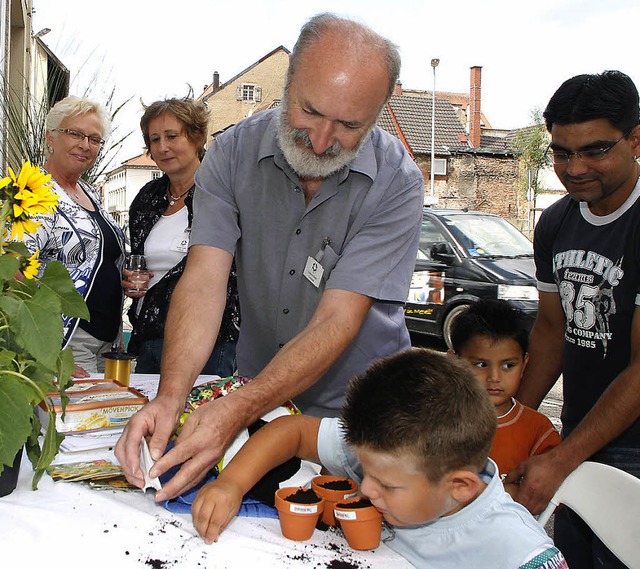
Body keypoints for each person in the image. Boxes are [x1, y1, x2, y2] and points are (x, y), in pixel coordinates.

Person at [116, 12, 424, 502]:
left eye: (349, 125)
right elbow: (203, 281)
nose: (322, 141)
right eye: (310, 111)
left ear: (382, 111)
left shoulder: (398, 181)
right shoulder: (231, 154)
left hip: (363, 415)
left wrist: (238, 407)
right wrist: (171, 397)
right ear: (289, 79)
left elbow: (337, 320)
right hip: (261, 401)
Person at [191, 348, 567, 569]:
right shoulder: (391, 453)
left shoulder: (517, 552)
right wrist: (231, 483)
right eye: (365, 471)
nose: (366, 488)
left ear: (461, 486)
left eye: (386, 486)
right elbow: (294, 431)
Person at [509, 70, 640, 568]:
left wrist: (561, 459)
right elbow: (550, 330)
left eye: (595, 150)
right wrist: (514, 422)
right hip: (578, 433)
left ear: (636, 139)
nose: (575, 167)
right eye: (561, 152)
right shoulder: (557, 220)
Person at [123, 98, 239, 376]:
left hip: (207, 343)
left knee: (196, 419)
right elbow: (141, 262)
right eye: (154, 139)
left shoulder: (223, 194)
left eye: (172, 136)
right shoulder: (147, 199)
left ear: (197, 136)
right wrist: (131, 281)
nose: (162, 147)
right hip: (150, 338)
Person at [24, 95, 126, 376]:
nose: (85, 145)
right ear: (50, 137)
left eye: (94, 139)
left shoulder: (88, 191)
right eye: (75, 134)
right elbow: (16, 273)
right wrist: (50, 356)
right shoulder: (33, 192)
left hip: (107, 341)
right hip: (67, 341)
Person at [449, 299, 561, 493]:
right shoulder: (434, 420)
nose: (494, 378)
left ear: (525, 364)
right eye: (481, 365)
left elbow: (555, 491)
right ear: (453, 362)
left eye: (508, 365)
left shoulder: (537, 429)